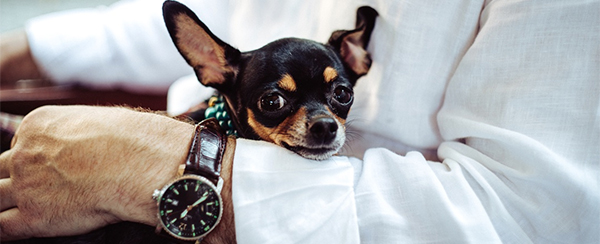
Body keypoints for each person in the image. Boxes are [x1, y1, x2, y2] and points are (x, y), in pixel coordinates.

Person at [1, 0, 598, 243]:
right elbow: (221, 12)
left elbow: (536, 214)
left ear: (356, 62)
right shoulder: (220, 68)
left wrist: (160, 163)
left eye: (338, 101)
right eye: (278, 104)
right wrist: (18, 50)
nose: (324, 123)